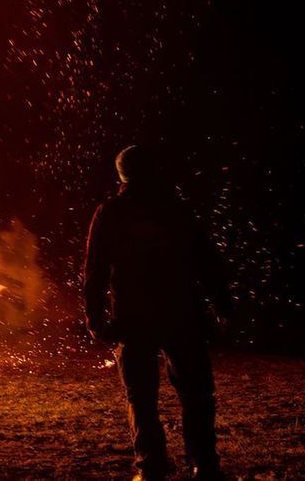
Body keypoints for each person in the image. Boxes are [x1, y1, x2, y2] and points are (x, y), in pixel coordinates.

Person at [84, 145, 232, 481]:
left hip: (133, 318)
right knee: (196, 393)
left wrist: (94, 316)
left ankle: (150, 466)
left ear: (121, 175)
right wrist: (223, 305)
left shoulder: (110, 212)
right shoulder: (176, 209)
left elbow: (95, 269)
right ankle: (204, 464)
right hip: (181, 313)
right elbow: (206, 262)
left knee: (141, 396)